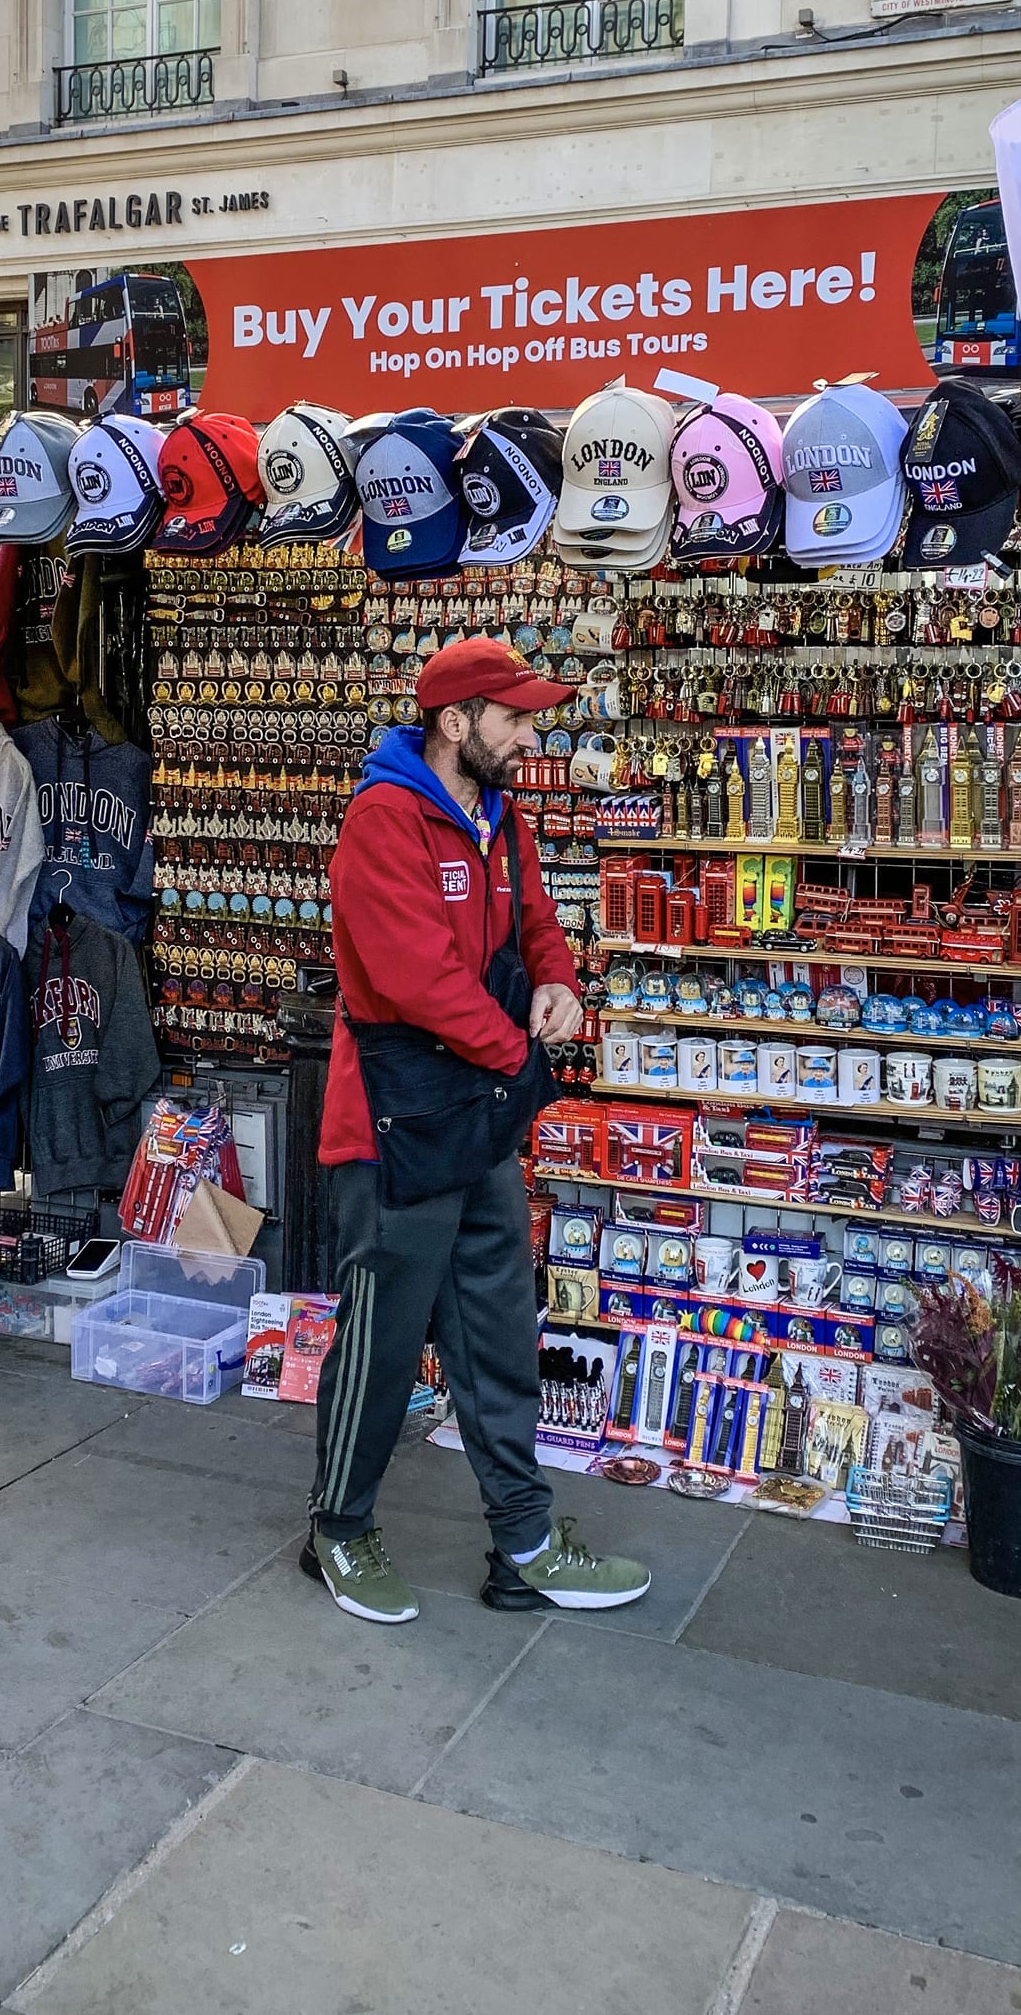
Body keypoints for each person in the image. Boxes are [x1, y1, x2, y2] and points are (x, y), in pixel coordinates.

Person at [305, 636, 650, 1625]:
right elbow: (413, 977)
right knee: (378, 1343)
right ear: (456, 721)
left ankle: (526, 1541)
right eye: (516, 717)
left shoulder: (502, 814)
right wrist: (515, 1052)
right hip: (393, 1127)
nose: (532, 734)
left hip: (479, 1115)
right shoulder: (383, 819)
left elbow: (538, 921)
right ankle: (337, 1528)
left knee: (499, 1333)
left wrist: (557, 980)